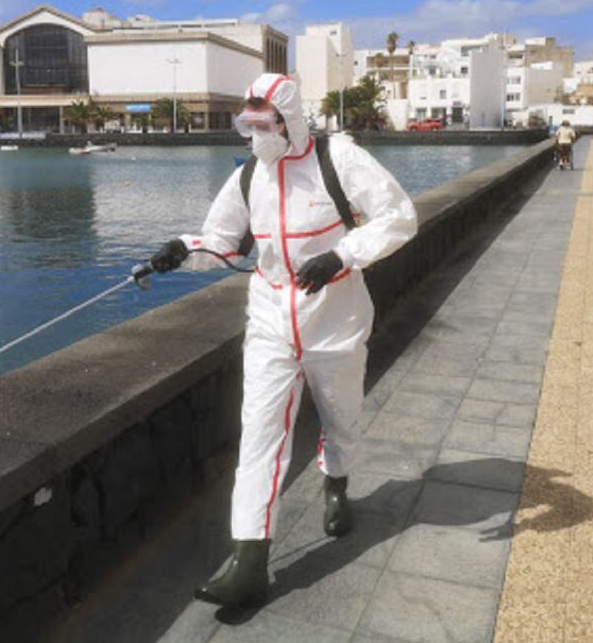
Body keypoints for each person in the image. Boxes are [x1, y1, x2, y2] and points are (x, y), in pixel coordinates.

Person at [149, 73, 417, 608]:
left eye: (263, 124)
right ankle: (249, 559)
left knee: (342, 415)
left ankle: (336, 482)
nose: (256, 135)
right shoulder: (250, 174)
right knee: (259, 433)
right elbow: (223, 242)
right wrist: (184, 248)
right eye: (247, 124)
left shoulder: (339, 159)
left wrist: (342, 255)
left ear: (288, 119)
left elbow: (399, 217)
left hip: (335, 317)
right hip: (271, 318)